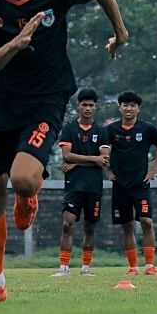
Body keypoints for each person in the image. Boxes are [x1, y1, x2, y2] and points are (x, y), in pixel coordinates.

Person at [0, 0, 129, 304]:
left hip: (45, 99)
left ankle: (29, 193)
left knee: (22, 179)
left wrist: (119, 31)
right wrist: (17, 44)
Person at [104, 90, 157, 275]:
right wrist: (106, 170)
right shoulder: (111, 130)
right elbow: (101, 151)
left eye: (132, 105)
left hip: (140, 184)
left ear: (138, 108)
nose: (129, 108)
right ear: (120, 107)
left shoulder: (146, 128)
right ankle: (133, 267)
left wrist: (154, 169)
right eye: (125, 105)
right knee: (127, 225)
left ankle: (150, 266)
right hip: (120, 185)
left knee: (146, 221)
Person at [53, 88, 110, 277]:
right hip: (74, 186)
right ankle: (63, 268)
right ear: (78, 106)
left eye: (91, 105)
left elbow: (104, 159)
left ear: (96, 107)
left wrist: (76, 163)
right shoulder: (69, 129)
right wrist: (93, 159)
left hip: (94, 186)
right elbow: (66, 155)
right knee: (68, 224)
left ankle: (86, 268)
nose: (87, 108)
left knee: (90, 227)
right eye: (84, 104)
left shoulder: (101, 131)